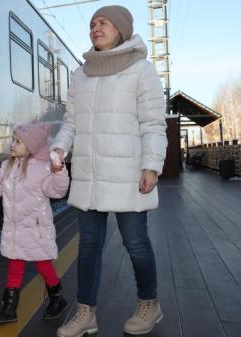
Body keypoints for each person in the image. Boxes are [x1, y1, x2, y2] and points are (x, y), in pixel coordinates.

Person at [50, 5, 167, 337]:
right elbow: (70, 122)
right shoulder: (81, 74)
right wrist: (60, 147)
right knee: (88, 246)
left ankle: (150, 304)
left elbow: (153, 124)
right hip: (89, 175)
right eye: (92, 24)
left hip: (128, 174)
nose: (95, 28)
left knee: (136, 243)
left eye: (102, 23)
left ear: (121, 29)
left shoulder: (141, 70)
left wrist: (151, 166)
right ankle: (86, 312)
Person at [0, 123, 70, 323]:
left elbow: (57, 191)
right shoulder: (7, 166)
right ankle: (9, 308)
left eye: (18, 142)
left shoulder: (43, 169)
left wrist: (60, 172)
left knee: (43, 264)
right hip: (15, 229)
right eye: (13, 140)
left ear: (31, 147)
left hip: (36, 230)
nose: (12, 144)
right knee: (15, 264)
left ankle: (57, 298)